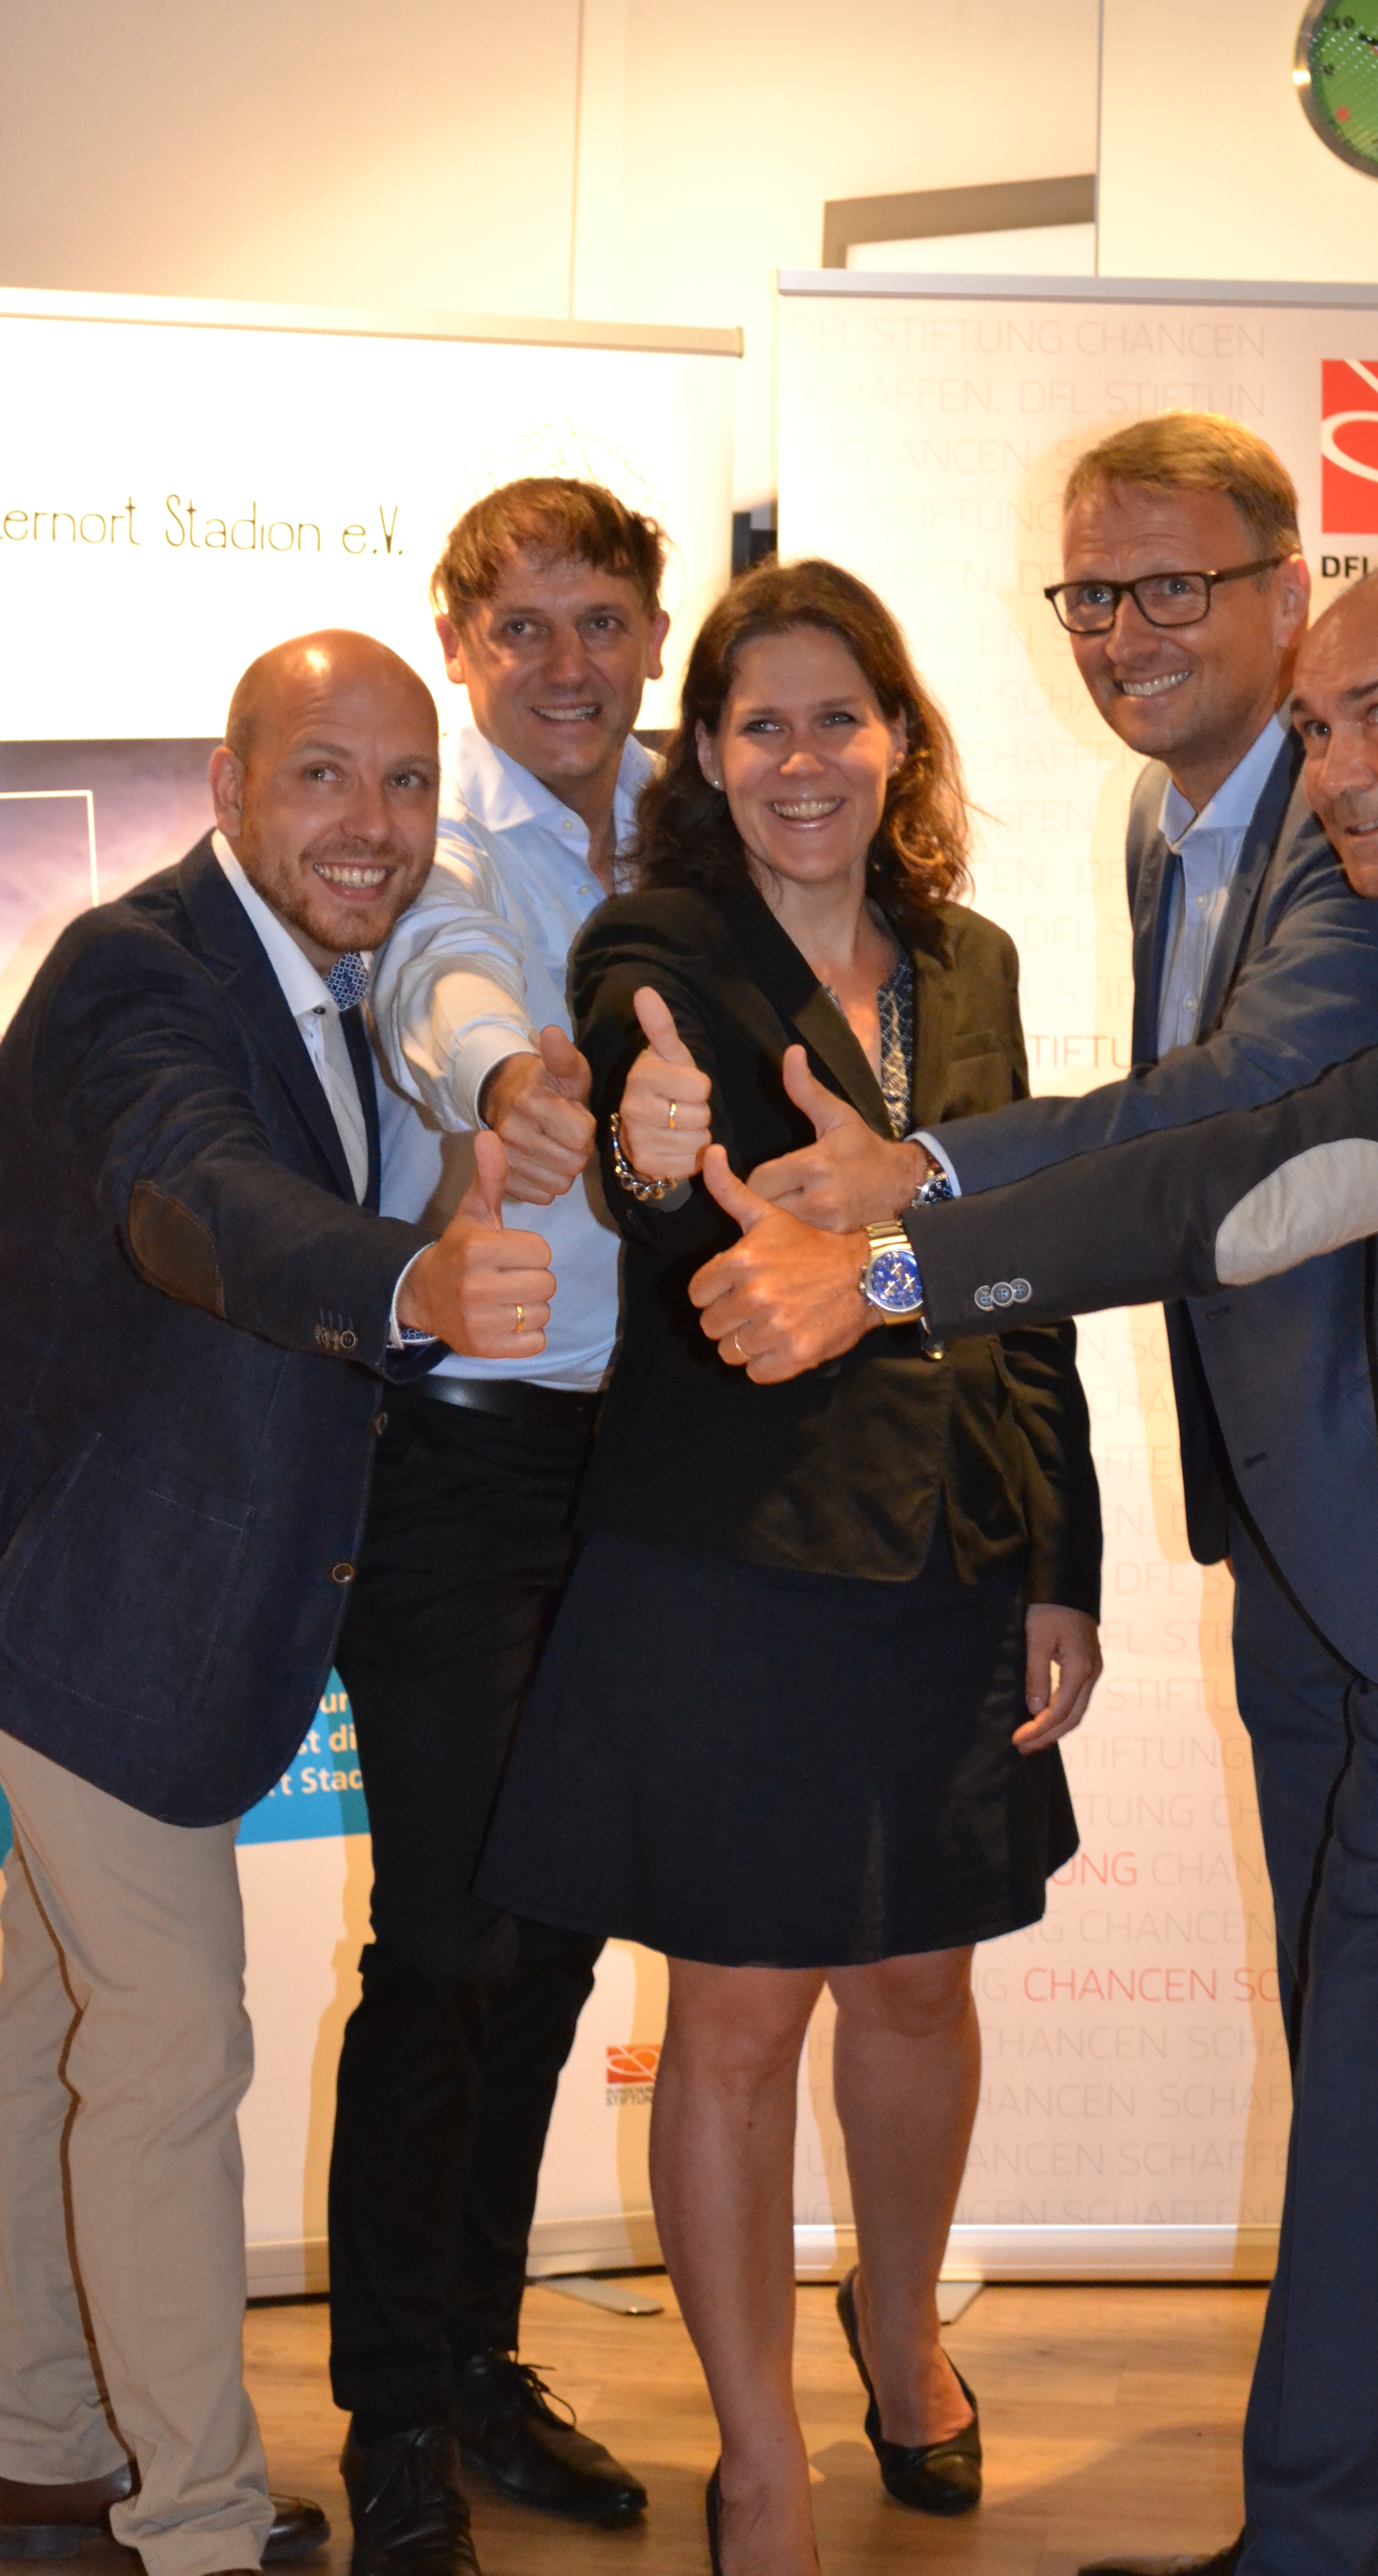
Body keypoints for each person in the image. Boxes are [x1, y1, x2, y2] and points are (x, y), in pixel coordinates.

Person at [689, 554, 1378, 2576]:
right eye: (1318, 731)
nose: (1338, 770)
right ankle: (1374, 2530)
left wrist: (895, 1268)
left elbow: (1274, 1171)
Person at [474, 557, 1104, 2576]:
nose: (803, 758)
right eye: (762, 725)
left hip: (951, 1554)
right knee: (738, 2017)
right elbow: (657, 1171)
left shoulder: (974, 963)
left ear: (899, 739)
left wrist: (1062, 1561)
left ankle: (902, 2337)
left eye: (840, 717)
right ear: (713, 755)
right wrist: (649, 1143)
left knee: (917, 1986)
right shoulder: (659, 943)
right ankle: (761, 2460)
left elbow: (1027, 1269)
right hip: (730, 1567)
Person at [0, 633, 555, 2576]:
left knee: (46, 2020)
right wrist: (411, 1282)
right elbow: (194, 1192)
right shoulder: (135, 969)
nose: (372, 823)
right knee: (171, 2057)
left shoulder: (331, 975)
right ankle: (202, 2527)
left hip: (144, 1590)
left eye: (406, 782)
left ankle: (40, 2436)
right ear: (230, 786)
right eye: (323, 774)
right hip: (101, 1607)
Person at [330, 479, 664, 2575]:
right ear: (460, 651)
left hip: (651, 1471)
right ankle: (388, 2430)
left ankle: (470, 2357)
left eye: (598, 621)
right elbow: (437, 987)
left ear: (653, 639)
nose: (564, 664)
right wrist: (509, 1090)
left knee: (549, 1946)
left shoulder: (695, 821)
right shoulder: (429, 841)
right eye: (519, 628)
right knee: (444, 1950)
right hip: (459, 1463)